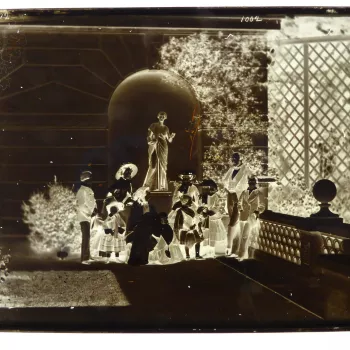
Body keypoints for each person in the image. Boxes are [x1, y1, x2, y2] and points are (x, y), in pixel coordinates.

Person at [222, 152, 251, 257]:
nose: (233, 160)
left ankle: (228, 247)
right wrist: (228, 190)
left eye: (235, 158)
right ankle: (236, 248)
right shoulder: (231, 170)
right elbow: (224, 181)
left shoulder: (245, 171)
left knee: (232, 222)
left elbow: (247, 185)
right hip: (230, 196)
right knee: (234, 222)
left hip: (239, 198)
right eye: (232, 158)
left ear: (240, 160)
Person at [143, 111, 176, 191]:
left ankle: (161, 186)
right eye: (160, 116)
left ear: (165, 118)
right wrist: (151, 141)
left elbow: (169, 140)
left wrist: (171, 136)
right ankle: (148, 185)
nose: (162, 117)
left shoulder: (166, 128)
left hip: (163, 146)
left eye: (163, 116)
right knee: (153, 165)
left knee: (162, 166)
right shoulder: (153, 125)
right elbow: (148, 137)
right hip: (154, 145)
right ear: (158, 117)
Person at [237, 176, 265, 261]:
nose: (251, 184)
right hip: (243, 216)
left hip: (252, 216)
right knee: (242, 235)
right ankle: (245, 254)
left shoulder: (259, 193)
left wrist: (257, 212)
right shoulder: (244, 192)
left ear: (255, 183)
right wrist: (240, 209)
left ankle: (243, 255)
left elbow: (262, 205)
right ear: (248, 183)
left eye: (253, 182)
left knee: (246, 235)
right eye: (250, 182)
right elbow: (239, 202)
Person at [197, 179, 226, 258]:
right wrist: (202, 212)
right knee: (206, 234)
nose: (204, 189)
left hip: (213, 218)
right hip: (205, 219)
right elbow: (199, 206)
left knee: (213, 235)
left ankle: (212, 252)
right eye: (203, 188)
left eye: (206, 188)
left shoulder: (215, 197)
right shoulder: (202, 197)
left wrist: (209, 212)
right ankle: (206, 251)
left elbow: (217, 207)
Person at [92, 198, 126, 263]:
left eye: (115, 210)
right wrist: (109, 230)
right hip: (110, 232)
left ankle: (117, 258)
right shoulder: (110, 216)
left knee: (116, 246)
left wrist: (121, 229)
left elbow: (122, 223)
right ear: (111, 211)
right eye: (113, 210)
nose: (115, 212)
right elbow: (105, 223)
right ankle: (108, 259)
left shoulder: (118, 215)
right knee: (109, 246)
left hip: (116, 232)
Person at [170, 194, 203, 260]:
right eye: (190, 201)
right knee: (186, 242)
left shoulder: (191, 210)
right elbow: (179, 222)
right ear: (185, 202)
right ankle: (187, 255)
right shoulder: (180, 211)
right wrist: (188, 227)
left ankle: (197, 254)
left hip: (193, 228)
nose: (191, 203)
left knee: (198, 241)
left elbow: (195, 219)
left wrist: (196, 226)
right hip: (185, 229)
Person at [76, 170, 97, 264]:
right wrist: (89, 213)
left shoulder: (89, 190)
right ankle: (84, 258)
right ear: (85, 180)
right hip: (84, 217)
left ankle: (88, 255)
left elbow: (93, 202)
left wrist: (95, 210)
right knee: (86, 237)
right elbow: (81, 205)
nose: (91, 181)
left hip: (89, 217)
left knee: (88, 236)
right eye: (90, 179)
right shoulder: (81, 191)